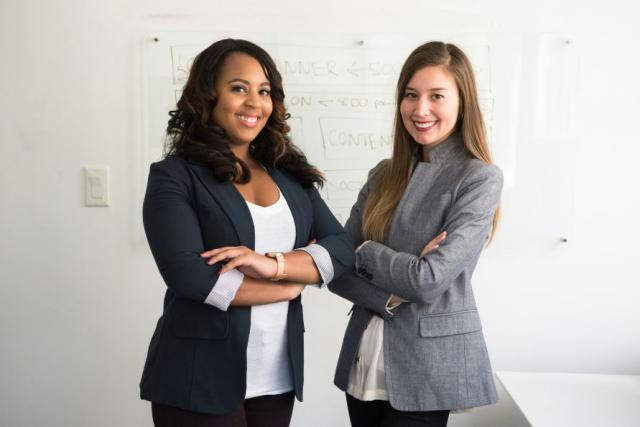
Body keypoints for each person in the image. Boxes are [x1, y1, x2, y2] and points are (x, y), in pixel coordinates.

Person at [139, 38, 354, 427]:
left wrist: (272, 266)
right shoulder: (175, 176)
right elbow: (190, 277)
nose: (255, 102)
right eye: (239, 88)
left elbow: (341, 249)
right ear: (208, 96)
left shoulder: (290, 175)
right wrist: (289, 286)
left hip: (276, 377)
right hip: (197, 377)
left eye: (264, 91)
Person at [328, 41, 503, 427]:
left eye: (436, 96)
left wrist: (366, 249)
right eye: (411, 95)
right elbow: (337, 269)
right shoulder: (383, 173)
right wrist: (388, 294)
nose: (420, 109)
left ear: (463, 102)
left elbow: (427, 281)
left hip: (426, 367)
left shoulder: (478, 178)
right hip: (364, 359)